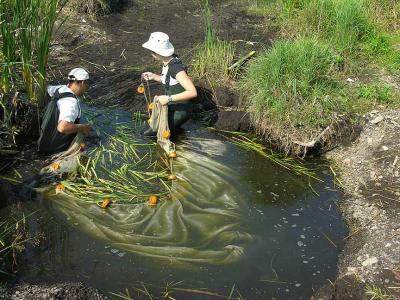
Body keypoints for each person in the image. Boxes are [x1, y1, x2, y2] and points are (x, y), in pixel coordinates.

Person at [141, 32, 197, 136]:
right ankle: (177, 133)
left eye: (152, 52)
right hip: (172, 106)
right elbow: (169, 81)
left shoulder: (176, 68)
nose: (151, 54)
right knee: (153, 129)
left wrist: (168, 99)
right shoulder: (167, 62)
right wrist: (154, 76)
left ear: (158, 53)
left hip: (180, 111)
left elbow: (193, 92)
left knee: (148, 134)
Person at [38, 68, 92, 154]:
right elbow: (62, 128)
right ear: (82, 83)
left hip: (43, 142)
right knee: (81, 135)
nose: (87, 87)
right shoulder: (70, 102)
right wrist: (83, 127)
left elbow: (45, 88)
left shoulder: (59, 89)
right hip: (55, 148)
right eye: (87, 83)